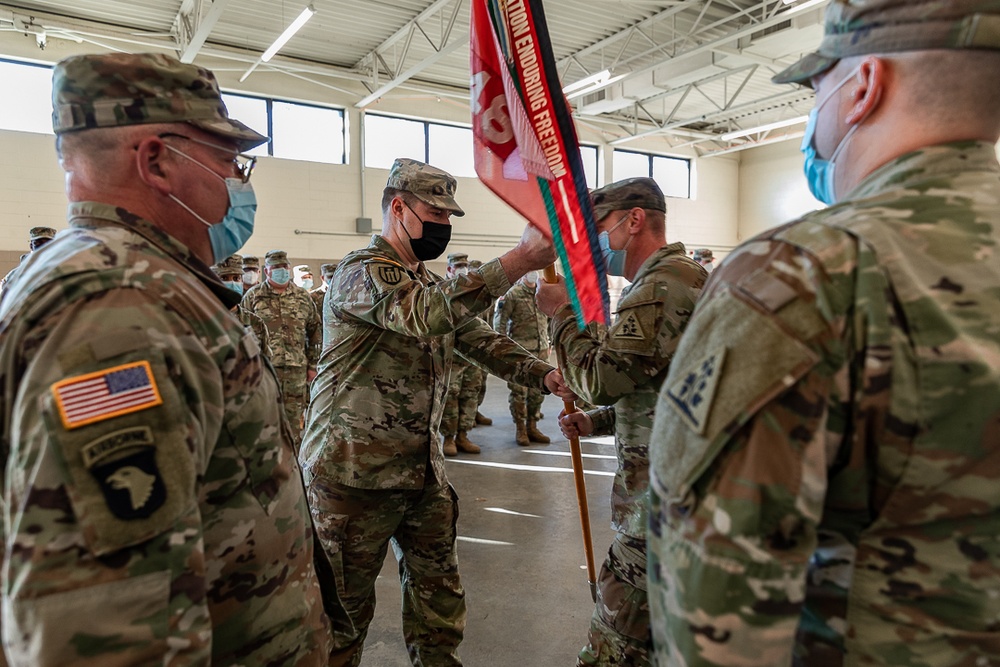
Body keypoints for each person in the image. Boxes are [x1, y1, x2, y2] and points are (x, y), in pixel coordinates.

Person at [646, 2, 1000, 665]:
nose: (815, 115)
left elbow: (717, 616)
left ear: (863, 86)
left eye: (816, 89)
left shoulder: (804, 275)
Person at [0, 52, 342, 665]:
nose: (239, 181)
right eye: (227, 161)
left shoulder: (139, 281)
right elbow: (109, 628)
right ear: (157, 160)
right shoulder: (118, 308)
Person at [300, 157, 574, 665]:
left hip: (421, 475)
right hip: (352, 477)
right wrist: (518, 259)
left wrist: (545, 375)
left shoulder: (426, 281)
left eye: (450, 217)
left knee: (439, 608)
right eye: (436, 213)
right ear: (398, 208)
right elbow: (427, 317)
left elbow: (477, 338)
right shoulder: (361, 272)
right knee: (341, 619)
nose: (444, 225)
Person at [535, 177, 705, 666]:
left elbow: (601, 378)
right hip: (679, 490)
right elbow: (661, 390)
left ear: (635, 221)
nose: (594, 243)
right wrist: (598, 422)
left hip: (657, 504)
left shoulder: (659, 287)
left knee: (614, 645)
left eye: (600, 227)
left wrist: (562, 314)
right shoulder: (684, 277)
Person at [243, 249, 321, 445]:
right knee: (264, 420)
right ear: (267, 271)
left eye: (284, 267)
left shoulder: (303, 297)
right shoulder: (254, 296)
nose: (281, 271)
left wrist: (312, 365)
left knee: (293, 425)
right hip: (264, 370)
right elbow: (241, 330)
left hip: (296, 370)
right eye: (276, 268)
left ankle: (292, 466)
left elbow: (315, 331)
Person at [494, 270, 551, 445]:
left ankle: (532, 426)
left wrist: (550, 343)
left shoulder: (543, 293)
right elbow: (500, 322)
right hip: (520, 352)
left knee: (538, 392)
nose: (534, 273)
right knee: (519, 392)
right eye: (530, 270)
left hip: (541, 351)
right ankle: (520, 429)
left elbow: (549, 320)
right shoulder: (513, 294)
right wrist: (502, 348)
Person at [440, 252, 483, 456]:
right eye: (458, 266)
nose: (462, 269)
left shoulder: (474, 291)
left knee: (470, 394)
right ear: (449, 269)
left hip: (472, 357)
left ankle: (463, 436)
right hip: (451, 356)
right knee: (451, 396)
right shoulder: (441, 291)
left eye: (464, 265)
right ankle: (448, 438)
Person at [212, 254, 271, 356]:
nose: (232, 283)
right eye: (224, 278)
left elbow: (265, 363)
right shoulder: (202, 318)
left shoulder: (255, 322)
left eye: (236, 278)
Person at [466, 258, 494, 427]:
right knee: (465, 387)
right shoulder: (465, 298)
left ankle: (475, 410)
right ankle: (466, 417)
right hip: (469, 348)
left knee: (480, 384)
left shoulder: (487, 297)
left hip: (484, 347)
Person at [0, 226, 57, 295]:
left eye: (47, 244)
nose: (43, 247)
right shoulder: (15, 275)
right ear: (31, 246)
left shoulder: (61, 270)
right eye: (38, 243)